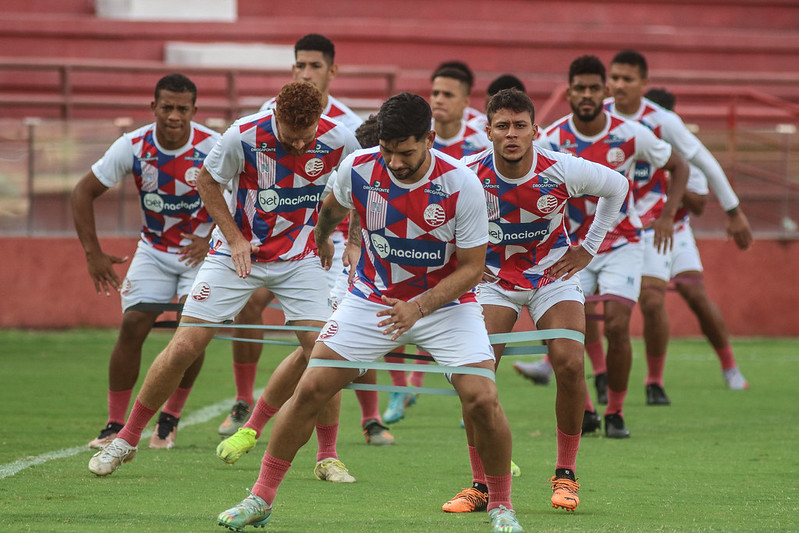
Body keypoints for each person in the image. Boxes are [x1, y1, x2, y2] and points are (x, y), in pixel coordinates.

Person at [216, 92, 524, 533]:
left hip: (445, 304)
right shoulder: (358, 165)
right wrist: (322, 237)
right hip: (372, 299)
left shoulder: (461, 184)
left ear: (430, 139)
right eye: (388, 151)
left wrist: (419, 306)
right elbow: (332, 207)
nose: (395, 163)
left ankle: (501, 506)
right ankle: (260, 498)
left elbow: (474, 268)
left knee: (482, 399)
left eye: (407, 153)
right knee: (310, 389)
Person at [88, 81, 361, 481]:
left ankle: (328, 456)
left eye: (307, 138)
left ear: (320, 121)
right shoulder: (243, 134)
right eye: (291, 137)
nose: (300, 146)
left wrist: (339, 240)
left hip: (300, 259)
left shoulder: (341, 139)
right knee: (184, 346)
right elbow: (206, 181)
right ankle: (126, 440)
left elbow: (360, 189)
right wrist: (235, 238)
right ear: (276, 119)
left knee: (323, 354)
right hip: (236, 254)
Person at [441, 88, 628, 515]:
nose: (511, 134)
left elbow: (617, 186)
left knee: (568, 362)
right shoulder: (466, 173)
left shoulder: (560, 169)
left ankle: (566, 474)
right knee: (477, 374)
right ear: (487, 130)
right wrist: (462, 263)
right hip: (492, 280)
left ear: (534, 130)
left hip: (552, 275)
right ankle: (479, 485)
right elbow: (437, 214)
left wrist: (588, 248)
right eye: (502, 126)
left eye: (519, 126)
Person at [216, 33, 388, 446]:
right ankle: (245, 405)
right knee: (278, 319)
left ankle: (370, 417)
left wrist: (351, 239)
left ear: (333, 70)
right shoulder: (265, 117)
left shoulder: (348, 126)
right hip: (277, 241)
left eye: (314, 65)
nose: (306, 73)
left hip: (325, 246)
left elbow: (359, 189)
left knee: (334, 334)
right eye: (300, 65)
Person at [524, 55, 689, 438]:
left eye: (593, 88)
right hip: (570, 247)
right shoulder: (552, 139)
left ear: (606, 91)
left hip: (622, 241)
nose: (586, 94)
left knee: (616, 325)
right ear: (568, 92)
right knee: (566, 331)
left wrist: (667, 216)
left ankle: (615, 411)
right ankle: (586, 410)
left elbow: (679, 165)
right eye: (579, 88)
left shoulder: (632, 133)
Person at [72, 73, 220, 450]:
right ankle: (113, 425)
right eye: (166, 107)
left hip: (198, 255)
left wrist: (213, 239)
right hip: (153, 250)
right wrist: (93, 254)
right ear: (153, 107)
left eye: (182, 108)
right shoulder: (133, 146)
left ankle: (168, 420)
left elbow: (243, 198)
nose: (174, 115)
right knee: (134, 323)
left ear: (194, 110)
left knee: (191, 334)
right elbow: (82, 192)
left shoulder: (214, 147)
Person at [605, 50, 753, 402]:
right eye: (616, 78)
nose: (620, 85)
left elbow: (703, 165)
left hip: (665, 225)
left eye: (628, 79)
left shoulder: (664, 124)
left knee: (669, 299)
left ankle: (673, 377)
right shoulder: (599, 115)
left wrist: (733, 210)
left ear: (644, 83)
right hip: (613, 225)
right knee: (591, 302)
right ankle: (590, 376)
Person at [381, 63, 492, 424]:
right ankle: (401, 388)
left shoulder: (481, 137)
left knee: (455, 311)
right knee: (391, 304)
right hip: (408, 232)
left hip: (465, 237)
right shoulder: (409, 135)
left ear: (466, 100)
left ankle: (469, 399)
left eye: (448, 94)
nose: (440, 100)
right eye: (436, 93)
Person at [642, 86, 750, 390]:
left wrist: (670, 177)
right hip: (637, 233)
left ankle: (730, 368)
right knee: (607, 297)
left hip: (676, 231)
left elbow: (700, 204)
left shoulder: (683, 153)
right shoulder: (633, 147)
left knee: (696, 297)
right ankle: (654, 380)